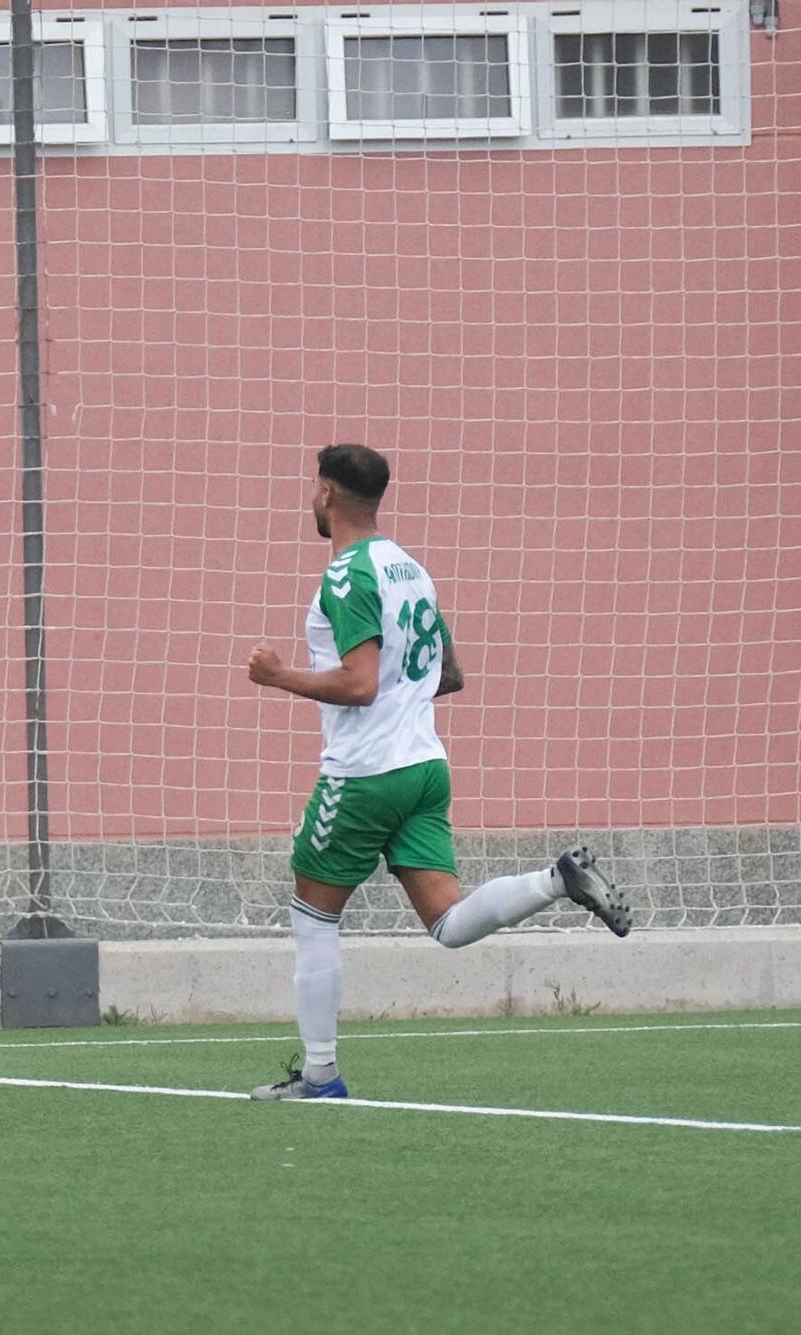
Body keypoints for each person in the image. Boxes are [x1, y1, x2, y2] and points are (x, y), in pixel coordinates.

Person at [244, 444, 630, 1100]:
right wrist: (400, 697)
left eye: (315, 487)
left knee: (313, 915)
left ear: (329, 494)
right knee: (448, 922)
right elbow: (447, 674)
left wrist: (281, 676)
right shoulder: (410, 570)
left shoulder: (345, 575)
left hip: (364, 773)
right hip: (424, 765)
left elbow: (362, 684)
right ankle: (554, 878)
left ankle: (319, 1075)